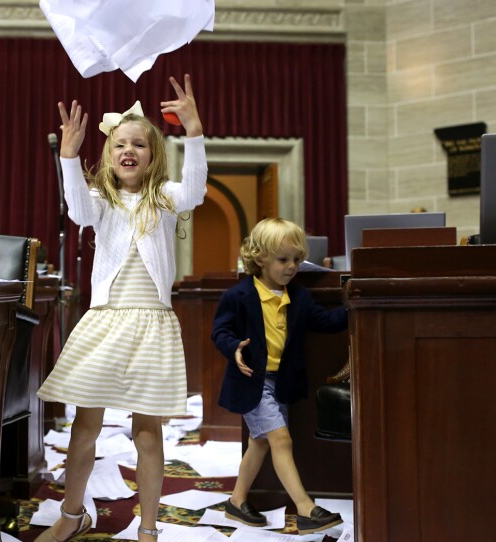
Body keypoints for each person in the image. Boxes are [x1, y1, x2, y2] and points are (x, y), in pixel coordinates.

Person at [36, 73, 206, 542]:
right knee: (85, 427)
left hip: (151, 324)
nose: (128, 151)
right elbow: (77, 211)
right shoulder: (101, 202)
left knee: (147, 434)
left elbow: (195, 190)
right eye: (119, 145)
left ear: (153, 156)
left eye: (139, 145)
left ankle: (148, 529)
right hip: (107, 321)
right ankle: (73, 515)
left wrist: (193, 131)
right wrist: (69, 156)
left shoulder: (167, 199)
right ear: (109, 155)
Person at [211, 217, 347, 535]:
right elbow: (220, 331)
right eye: (283, 259)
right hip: (252, 382)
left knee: (259, 443)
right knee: (280, 440)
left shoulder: (298, 297)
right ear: (260, 258)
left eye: (297, 260)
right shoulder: (239, 295)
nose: (292, 267)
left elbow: (325, 322)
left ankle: (236, 501)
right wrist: (234, 348)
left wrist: (355, 304)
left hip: (280, 383)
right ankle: (306, 508)